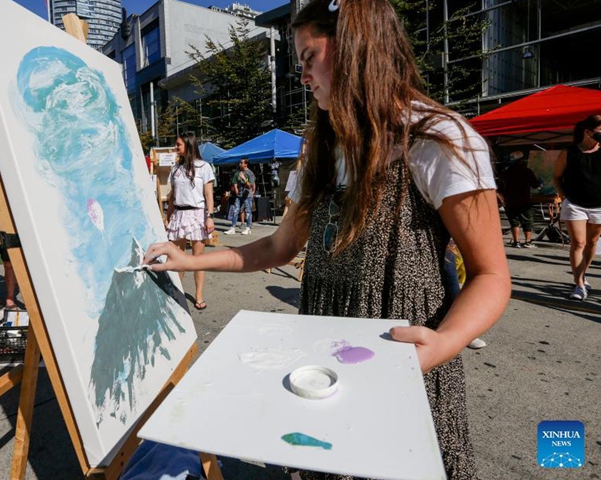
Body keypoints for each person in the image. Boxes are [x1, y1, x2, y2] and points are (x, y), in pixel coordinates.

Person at [144, 1, 510, 478]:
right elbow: (278, 247)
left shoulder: (436, 138)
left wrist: (444, 342)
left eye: (309, 57)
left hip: (401, 355)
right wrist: (187, 261)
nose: (302, 76)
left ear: (359, 49)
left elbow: (491, 274)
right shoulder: (320, 147)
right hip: (323, 352)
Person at [552, 114, 601, 301]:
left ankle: (583, 273)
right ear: (588, 131)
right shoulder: (570, 153)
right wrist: (563, 196)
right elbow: (556, 177)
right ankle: (580, 285)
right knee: (579, 243)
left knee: (592, 243)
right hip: (575, 204)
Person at [165, 132, 215, 310]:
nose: (175, 148)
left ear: (188, 145)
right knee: (178, 259)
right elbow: (172, 197)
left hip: (197, 214)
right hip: (179, 214)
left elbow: (209, 194)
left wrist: (210, 216)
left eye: (178, 144)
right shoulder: (175, 169)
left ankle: (199, 296)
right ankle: (178, 295)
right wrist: (168, 216)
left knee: (198, 259)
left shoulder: (203, 167)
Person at [500, 151, 541, 248]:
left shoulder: (506, 172)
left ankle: (516, 242)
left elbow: (501, 187)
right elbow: (535, 185)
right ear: (521, 160)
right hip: (524, 200)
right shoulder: (527, 171)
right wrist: (540, 183)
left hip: (510, 200)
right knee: (527, 221)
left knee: (514, 221)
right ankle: (528, 241)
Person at [225, 158, 255, 235]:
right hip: (239, 195)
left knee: (247, 211)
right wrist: (237, 191)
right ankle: (233, 228)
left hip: (247, 195)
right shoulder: (238, 172)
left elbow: (250, 186)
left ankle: (248, 228)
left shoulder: (250, 173)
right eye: (240, 162)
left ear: (246, 164)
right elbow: (235, 183)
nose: (240, 164)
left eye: (241, 163)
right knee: (236, 210)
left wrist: (244, 179)